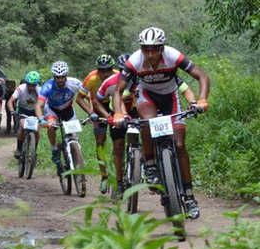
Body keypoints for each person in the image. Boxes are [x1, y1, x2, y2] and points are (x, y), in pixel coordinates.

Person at [113, 27, 210, 219]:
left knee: (180, 145)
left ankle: (189, 197)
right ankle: (150, 164)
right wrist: (117, 113)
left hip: (170, 96)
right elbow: (118, 91)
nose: (150, 54)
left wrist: (202, 99)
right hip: (147, 96)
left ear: (162, 47)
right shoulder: (135, 61)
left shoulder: (174, 56)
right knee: (147, 122)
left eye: (155, 49)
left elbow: (202, 76)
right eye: (145, 49)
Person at [35, 61, 97, 167]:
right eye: (57, 77)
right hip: (52, 109)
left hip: (67, 110)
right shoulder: (48, 86)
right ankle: (54, 148)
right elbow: (38, 105)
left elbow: (90, 98)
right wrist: (41, 119)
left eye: (62, 77)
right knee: (51, 125)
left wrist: (91, 112)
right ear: (54, 77)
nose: (60, 80)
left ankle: (76, 157)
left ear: (66, 75)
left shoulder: (74, 83)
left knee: (73, 135)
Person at [78, 54, 118, 194]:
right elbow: (80, 98)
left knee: (118, 140)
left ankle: (117, 170)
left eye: (107, 70)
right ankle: (104, 176)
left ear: (112, 69)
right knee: (100, 142)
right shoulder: (92, 78)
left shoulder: (118, 75)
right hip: (97, 107)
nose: (104, 73)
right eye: (101, 70)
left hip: (114, 106)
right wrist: (90, 113)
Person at [8, 71, 41, 158]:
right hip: (23, 111)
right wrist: (12, 111)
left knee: (37, 130)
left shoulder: (39, 90)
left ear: (36, 84)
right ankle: (19, 149)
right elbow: (10, 101)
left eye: (33, 85)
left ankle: (34, 150)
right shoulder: (21, 88)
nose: (31, 87)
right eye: (29, 84)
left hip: (35, 112)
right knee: (22, 128)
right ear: (26, 83)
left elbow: (45, 103)